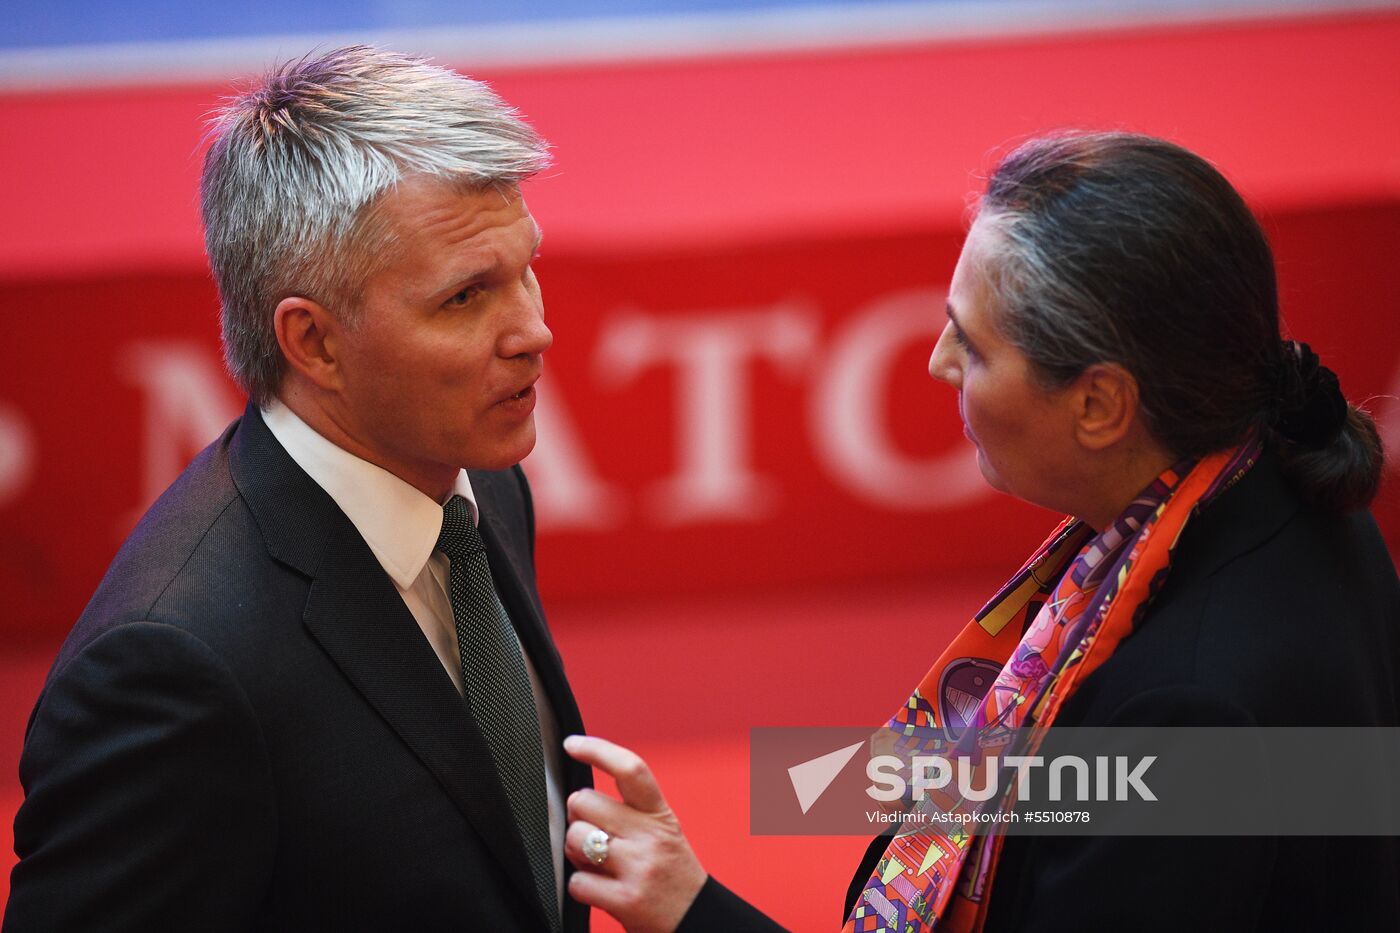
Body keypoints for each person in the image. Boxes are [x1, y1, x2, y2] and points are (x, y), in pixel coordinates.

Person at [558, 131, 1400, 932]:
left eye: (973, 345)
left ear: (1100, 404)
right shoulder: (1291, 484)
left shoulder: (1184, 715)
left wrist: (692, 908)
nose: (937, 362)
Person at [4, 46, 590, 932]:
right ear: (313, 343)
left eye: (524, 267)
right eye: (466, 297)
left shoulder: (478, 491)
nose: (535, 330)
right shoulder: (170, 668)